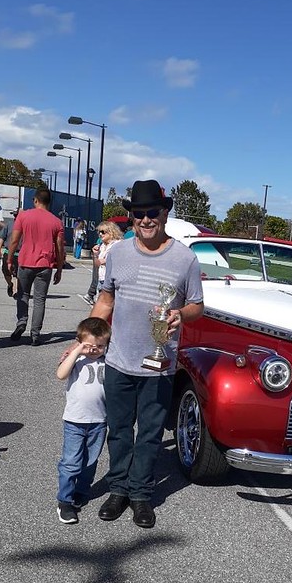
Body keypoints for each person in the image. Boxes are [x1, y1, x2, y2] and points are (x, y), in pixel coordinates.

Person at [90, 179, 204, 529]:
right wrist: (86, 337)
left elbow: (198, 306)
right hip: (120, 360)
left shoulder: (185, 258)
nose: (145, 219)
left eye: (151, 212)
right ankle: (119, 488)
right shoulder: (119, 253)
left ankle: (141, 494)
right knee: (120, 430)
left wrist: (179, 315)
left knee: (151, 434)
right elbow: (106, 300)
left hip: (159, 364)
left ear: (164, 212)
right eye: (138, 213)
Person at [56, 317, 111, 525]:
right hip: (75, 420)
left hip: (99, 421)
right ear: (79, 341)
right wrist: (77, 350)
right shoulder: (76, 359)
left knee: (90, 462)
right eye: (90, 345)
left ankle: (81, 491)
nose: (94, 350)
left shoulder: (107, 361)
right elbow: (60, 374)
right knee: (71, 462)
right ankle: (64, 501)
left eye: (100, 346)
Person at [7, 188, 65, 346]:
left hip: (25, 261)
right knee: (40, 300)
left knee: (22, 295)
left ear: (35, 200)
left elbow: (14, 239)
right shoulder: (56, 222)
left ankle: (21, 323)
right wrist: (59, 268)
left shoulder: (23, 216)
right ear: (49, 202)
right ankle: (35, 334)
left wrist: (10, 259)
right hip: (45, 264)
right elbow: (60, 247)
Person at [92, 221, 122, 296]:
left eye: (103, 232)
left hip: (113, 282)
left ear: (111, 232)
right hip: (102, 279)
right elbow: (97, 264)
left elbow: (121, 260)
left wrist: (106, 261)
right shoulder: (102, 245)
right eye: (99, 232)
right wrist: (95, 254)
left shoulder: (118, 245)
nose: (100, 234)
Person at [0, 214, 19, 297]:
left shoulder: (26, 225)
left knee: (18, 274)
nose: (16, 217)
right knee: (6, 272)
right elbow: (2, 237)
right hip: (8, 252)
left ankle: (17, 291)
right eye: (15, 215)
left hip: (20, 253)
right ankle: (10, 284)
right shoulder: (9, 224)